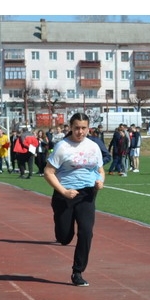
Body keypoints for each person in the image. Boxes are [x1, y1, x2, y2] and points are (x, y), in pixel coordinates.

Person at [43, 113, 105, 287]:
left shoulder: (94, 146)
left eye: (83, 128)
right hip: (65, 195)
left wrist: (101, 181)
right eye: (77, 127)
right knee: (64, 238)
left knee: (86, 232)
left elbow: (100, 170)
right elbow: (48, 173)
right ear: (70, 127)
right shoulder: (62, 147)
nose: (80, 132)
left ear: (88, 128)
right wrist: (63, 191)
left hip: (87, 194)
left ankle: (77, 272)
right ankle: (61, 229)